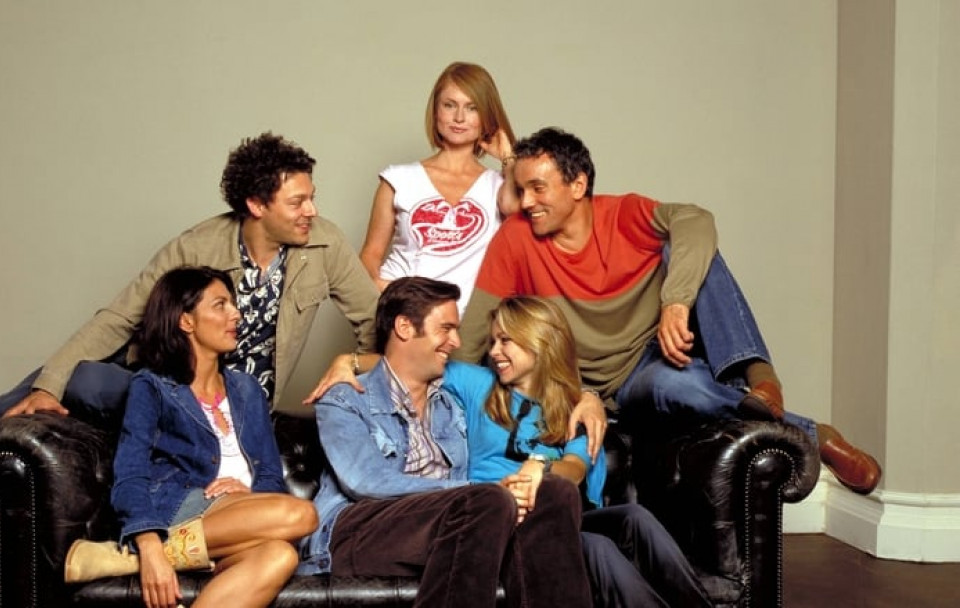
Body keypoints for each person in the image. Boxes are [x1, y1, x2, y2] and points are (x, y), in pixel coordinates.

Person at [0, 132, 378, 597]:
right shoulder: (199, 246)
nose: (312, 211)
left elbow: (376, 322)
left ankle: (109, 555)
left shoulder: (324, 245)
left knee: (277, 550)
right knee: (25, 405)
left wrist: (351, 362)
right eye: (298, 201)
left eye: (312, 198)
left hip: (233, 401)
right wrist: (49, 385)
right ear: (256, 204)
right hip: (169, 382)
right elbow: (119, 319)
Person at [456, 127, 881, 496]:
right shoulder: (515, 238)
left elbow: (697, 220)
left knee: (692, 255)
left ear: (578, 185)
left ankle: (761, 378)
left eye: (537, 188)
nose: (525, 202)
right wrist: (437, 397)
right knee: (689, 375)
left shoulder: (622, 215)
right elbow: (475, 328)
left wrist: (675, 301)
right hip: (578, 385)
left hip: (644, 367)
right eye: (521, 190)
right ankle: (812, 434)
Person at [299, 277, 592, 608]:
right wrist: (484, 491)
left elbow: (543, 388)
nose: (457, 342)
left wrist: (590, 397)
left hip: (452, 526)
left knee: (555, 491)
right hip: (359, 530)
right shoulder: (345, 398)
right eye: (447, 329)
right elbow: (365, 481)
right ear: (405, 327)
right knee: (489, 501)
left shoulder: (453, 404)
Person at [64, 266, 318, 608]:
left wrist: (250, 494)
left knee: (281, 555)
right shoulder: (152, 386)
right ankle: (148, 550)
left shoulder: (247, 390)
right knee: (302, 515)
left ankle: (128, 558)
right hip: (180, 507)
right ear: (186, 321)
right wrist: (149, 544)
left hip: (242, 517)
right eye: (220, 305)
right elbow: (130, 473)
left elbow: (270, 474)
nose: (235, 314)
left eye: (233, 304)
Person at [443, 296, 711, 607]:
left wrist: (541, 466)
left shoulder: (574, 410)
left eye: (505, 340)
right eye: (492, 341)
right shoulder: (478, 384)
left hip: (562, 514)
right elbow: (411, 362)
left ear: (539, 340)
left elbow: (575, 469)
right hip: (505, 516)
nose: (493, 352)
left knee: (635, 516)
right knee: (598, 548)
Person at [359, 61, 518, 314]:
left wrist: (509, 157)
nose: (459, 118)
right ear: (436, 111)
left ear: (486, 116)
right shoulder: (398, 179)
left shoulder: (501, 186)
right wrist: (386, 294)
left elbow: (516, 213)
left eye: (472, 108)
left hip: (465, 324)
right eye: (449, 105)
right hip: (401, 318)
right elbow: (370, 255)